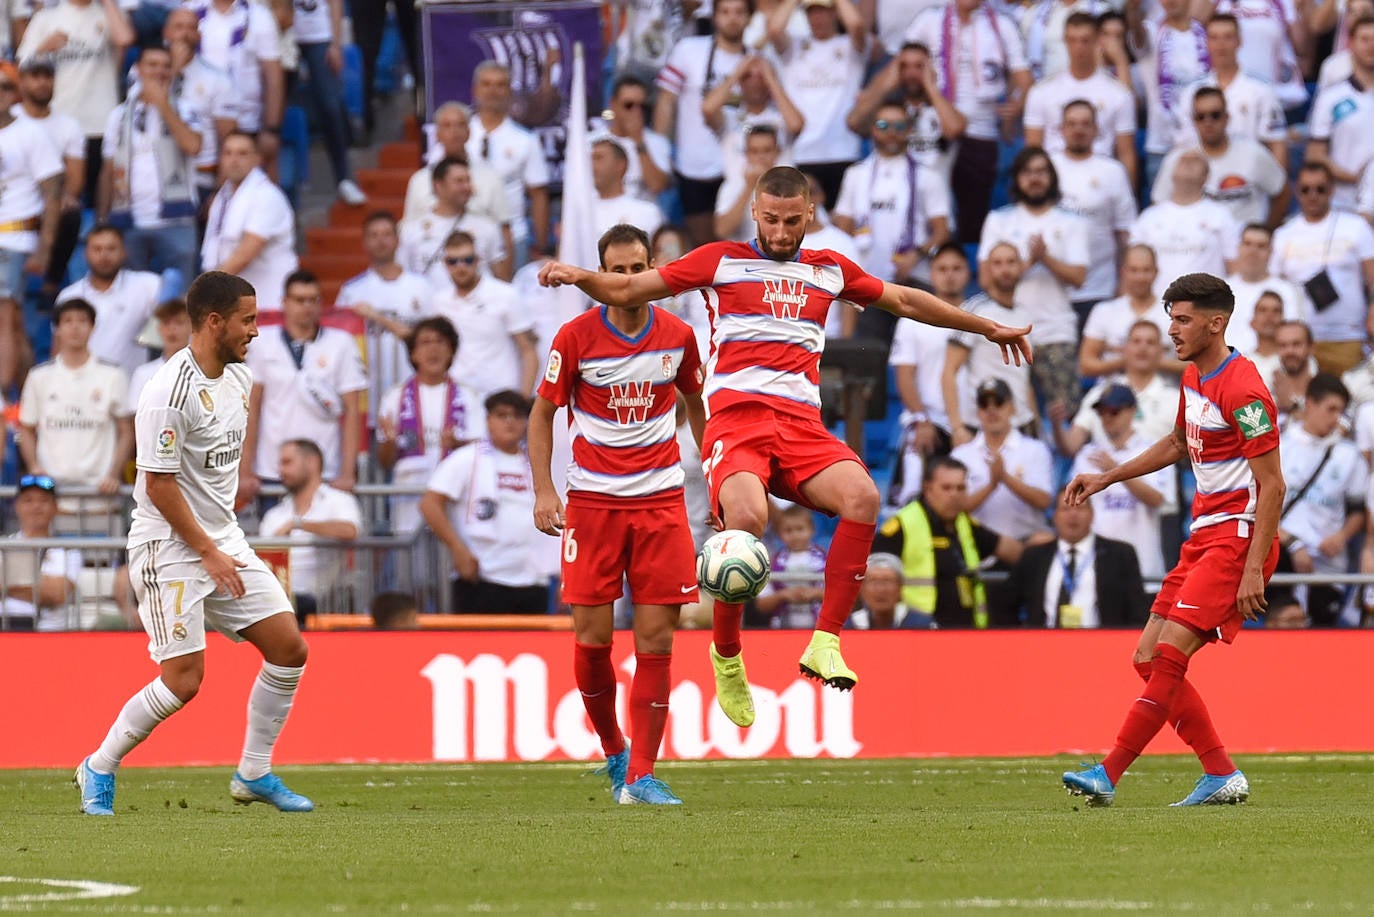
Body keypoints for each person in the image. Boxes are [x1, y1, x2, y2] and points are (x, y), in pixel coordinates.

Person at [538, 165, 1032, 726]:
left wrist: (984, 326)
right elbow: (629, 288)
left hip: (801, 427)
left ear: (810, 214)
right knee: (748, 519)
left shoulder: (829, 269)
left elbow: (905, 300)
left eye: (791, 220)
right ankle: (728, 654)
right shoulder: (720, 260)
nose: (779, 232)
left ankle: (826, 641)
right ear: (754, 212)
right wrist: (579, 276)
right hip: (736, 424)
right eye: (770, 219)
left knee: (864, 498)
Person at [75, 270, 313, 817]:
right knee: (184, 681)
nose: (256, 331)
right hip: (169, 547)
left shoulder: (238, 378)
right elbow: (158, 485)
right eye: (247, 320)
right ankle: (99, 765)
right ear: (214, 321)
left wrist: (219, 539)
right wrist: (206, 550)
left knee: (289, 649)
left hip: (222, 539)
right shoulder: (167, 392)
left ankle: (254, 772)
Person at [1062, 272, 1284, 808]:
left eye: (1183, 319)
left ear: (1216, 323)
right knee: (1146, 657)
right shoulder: (1193, 377)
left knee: (1167, 655)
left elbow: (1274, 485)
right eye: (1171, 318)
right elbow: (1177, 443)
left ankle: (1109, 772)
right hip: (1202, 535)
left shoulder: (1245, 390)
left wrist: (1253, 567)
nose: (1172, 329)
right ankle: (1220, 771)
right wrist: (1108, 476)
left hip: (1236, 537)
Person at [529, 223, 706, 806]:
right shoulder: (575, 337)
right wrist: (544, 491)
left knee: (657, 640)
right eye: (618, 271)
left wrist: (716, 474)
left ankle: (643, 776)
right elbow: (541, 415)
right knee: (593, 640)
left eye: (638, 269)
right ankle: (614, 751)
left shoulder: (679, 336)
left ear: (653, 270)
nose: (629, 280)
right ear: (601, 275)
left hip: (661, 503)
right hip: (593, 504)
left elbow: (697, 404)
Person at [979, 147, 1088, 417]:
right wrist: (1029, 261)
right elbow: (986, 278)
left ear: (1052, 177)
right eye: (1027, 172)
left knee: (1066, 414)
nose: (1034, 178)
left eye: (1041, 172)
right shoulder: (999, 220)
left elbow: (1079, 277)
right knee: (1011, 415)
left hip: (1056, 331)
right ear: (1016, 178)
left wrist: (1046, 258)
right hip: (1009, 331)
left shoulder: (1072, 221)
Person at [242, 271, 367, 503]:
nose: (307, 307)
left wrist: (348, 472)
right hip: (273, 468)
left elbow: (352, 411)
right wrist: (245, 470)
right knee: (275, 527)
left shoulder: (341, 343)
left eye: (313, 300)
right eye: (299, 300)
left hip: (324, 468)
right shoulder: (262, 343)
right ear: (284, 302)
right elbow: (251, 407)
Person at [422, 389, 548, 614]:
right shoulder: (467, 457)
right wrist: (457, 549)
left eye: (517, 416)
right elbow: (430, 504)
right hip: (482, 576)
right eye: (501, 415)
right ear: (488, 419)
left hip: (532, 578)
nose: (510, 422)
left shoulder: (537, 461)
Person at [18, 298, 132, 533]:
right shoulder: (39, 376)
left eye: (82, 321)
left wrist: (113, 474)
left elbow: (126, 431)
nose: (75, 327)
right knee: (54, 559)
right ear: (57, 328)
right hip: (54, 501)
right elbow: (26, 429)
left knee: (103, 558)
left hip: (101, 499)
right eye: (68, 321)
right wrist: (35, 466)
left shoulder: (112, 375)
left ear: (92, 327)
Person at [871, 456, 1022, 629]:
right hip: (918, 632)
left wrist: (1041, 551)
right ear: (927, 488)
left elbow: (1014, 552)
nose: (954, 495)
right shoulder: (903, 525)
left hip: (966, 632)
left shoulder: (965, 524)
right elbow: (873, 575)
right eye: (946, 488)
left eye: (960, 488)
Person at [98, 44, 203, 293]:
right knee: (133, 299)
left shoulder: (186, 108)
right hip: (129, 220)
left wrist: (163, 106)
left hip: (176, 221)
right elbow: (108, 170)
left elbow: (193, 146)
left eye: (166, 66)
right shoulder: (118, 115)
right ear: (138, 69)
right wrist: (103, 219)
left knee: (181, 300)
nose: (159, 71)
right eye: (152, 65)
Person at [654, 0, 748, 246]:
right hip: (694, 165)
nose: (732, 18)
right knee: (704, 246)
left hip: (738, 166)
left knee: (738, 242)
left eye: (739, 12)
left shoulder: (757, 58)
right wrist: (660, 151)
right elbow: (666, 100)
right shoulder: (689, 50)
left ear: (749, 18)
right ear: (714, 16)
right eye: (725, 12)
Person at [376, 316, 482, 535]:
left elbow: (481, 451)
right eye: (425, 342)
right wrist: (389, 441)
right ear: (413, 354)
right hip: (409, 500)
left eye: (440, 342)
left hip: (455, 498)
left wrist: (458, 444)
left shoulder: (468, 395)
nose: (433, 349)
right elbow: (384, 461)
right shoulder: (394, 396)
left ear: (451, 351)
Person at [1276, 373, 1366, 627]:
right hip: (1283, 559)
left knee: (1321, 633)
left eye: (1341, 411)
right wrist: (1293, 544)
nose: (1336, 418)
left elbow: (1357, 510)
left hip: (1327, 567)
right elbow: (1256, 508)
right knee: (1283, 624)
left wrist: (1342, 537)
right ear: (1310, 403)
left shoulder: (1349, 455)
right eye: (1331, 409)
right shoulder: (1280, 447)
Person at [1269, 162, 1374, 376]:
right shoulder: (1283, 234)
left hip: (1348, 336)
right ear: (1297, 191)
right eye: (1305, 189)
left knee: (1350, 393)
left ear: (1331, 190)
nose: (1313, 195)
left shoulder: (1356, 226)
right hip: (1300, 341)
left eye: (1320, 189)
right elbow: (1275, 287)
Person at [832, 100, 952, 288]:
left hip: (914, 276)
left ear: (910, 129)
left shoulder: (928, 175)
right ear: (872, 129)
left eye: (899, 126)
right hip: (864, 277)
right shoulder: (855, 174)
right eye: (883, 125)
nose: (891, 132)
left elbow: (942, 231)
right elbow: (843, 227)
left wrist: (916, 255)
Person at [1067, 383, 1175, 584]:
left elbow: (1157, 499)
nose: (1107, 417)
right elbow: (1073, 504)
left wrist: (1115, 472)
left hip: (1143, 566)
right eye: (1102, 412)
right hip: (1095, 567)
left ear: (1132, 411)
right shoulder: (1087, 455)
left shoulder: (1152, 452)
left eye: (1114, 411)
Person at [335, 210, 435, 419]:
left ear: (397, 240)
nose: (381, 241)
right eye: (374, 235)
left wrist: (377, 317)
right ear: (364, 243)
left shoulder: (422, 287)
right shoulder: (352, 291)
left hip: (412, 391)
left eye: (386, 234)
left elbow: (431, 339)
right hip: (368, 395)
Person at [999, 490, 1149, 627]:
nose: (1073, 515)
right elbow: (1006, 606)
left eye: (1080, 508)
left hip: (1101, 643)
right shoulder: (1034, 556)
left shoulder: (1120, 555)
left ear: (1092, 514)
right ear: (1054, 516)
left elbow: (1137, 611)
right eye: (1065, 509)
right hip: (1044, 642)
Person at [1049, 99, 1137, 331]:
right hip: (1052, 290)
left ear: (1096, 129)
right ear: (1061, 129)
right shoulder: (1046, 168)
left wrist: (1124, 283)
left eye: (1085, 124)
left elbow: (1125, 232)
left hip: (1100, 288)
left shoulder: (1113, 171)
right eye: (1072, 124)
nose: (1078, 130)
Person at [1151, 88, 1288, 229]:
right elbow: (1158, 204)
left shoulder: (1253, 154)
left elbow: (1281, 191)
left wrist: (1267, 231)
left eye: (1215, 115)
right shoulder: (1179, 159)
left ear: (1226, 117)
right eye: (1200, 117)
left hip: (1243, 239)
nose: (1208, 122)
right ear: (1193, 121)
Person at [1023, 12, 1137, 182]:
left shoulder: (1119, 94)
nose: (1078, 47)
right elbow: (1033, 151)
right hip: (1054, 179)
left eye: (1085, 40)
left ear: (1097, 40)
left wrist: (1127, 192)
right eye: (1072, 40)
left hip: (1100, 179)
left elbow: (1126, 153)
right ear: (1065, 41)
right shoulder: (1041, 92)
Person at [258, 439, 363, 623]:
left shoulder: (339, 500)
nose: (281, 471)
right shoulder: (274, 515)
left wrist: (299, 524)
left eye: (287, 462)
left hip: (327, 601)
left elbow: (350, 530)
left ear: (312, 462)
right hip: (280, 603)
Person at [942, 242, 1036, 443]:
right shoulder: (974, 310)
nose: (1005, 269)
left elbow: (1023, 375)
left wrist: (1035, 421)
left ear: (1021, 267)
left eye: (1011, 262)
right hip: (982, 425)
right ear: (987, 269)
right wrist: (957, 428)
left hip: (1022, 424)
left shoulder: (1025, 314)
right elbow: (949, 370)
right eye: (997, 263)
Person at [430, 232, 537, 402]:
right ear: (445, 263)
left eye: (467, 260)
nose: (460, 267)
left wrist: (522, 402)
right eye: (453, 261)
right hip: (457, 397)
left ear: (478, 260)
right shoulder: (438, 302)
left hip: (501, 396)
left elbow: (529, 351)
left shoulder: (506, 294)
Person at [200, 132, 298, 311]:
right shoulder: (222, 197)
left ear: (257, 159)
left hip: (269, 300)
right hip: (237, 301)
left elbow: (245, 254)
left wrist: (205, 291)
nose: (234, 160)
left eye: (242, 153)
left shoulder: (267, 195)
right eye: (228, 153)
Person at [950, 378, 1054, 544]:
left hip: (1025, 542)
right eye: (984, 404)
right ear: (978, 412)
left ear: (1012, 408)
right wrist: (991, 486)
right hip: (977, 543)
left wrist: (1005, 478)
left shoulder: (1035, 449)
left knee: (1044, 540)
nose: (991, 410)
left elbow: (1044, 501)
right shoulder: (961, 455)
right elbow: (954, 509)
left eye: (998, 403)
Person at [1129, 150, 1239, 299]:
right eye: (1182, 159)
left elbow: (1234, 266)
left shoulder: (1221, 215)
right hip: (1158, 304)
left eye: (1196, 160)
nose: (1188, 162)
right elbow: (1131, 268)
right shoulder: (1148, 217)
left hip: (1206, 304)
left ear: (1206, 177)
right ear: (1172, 173)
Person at [57, 224, 161, 377]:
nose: (104, 255)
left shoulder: (147, 285)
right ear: (86, 254)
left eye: (111, 249)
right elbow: (59, 347)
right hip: (81, 384)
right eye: (97, 249)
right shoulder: (69, 295)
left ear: (124, 252)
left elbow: (175, 319)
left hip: (131, 386)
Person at [0, 474, 80, 632]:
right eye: (28, 500)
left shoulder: (69, 550)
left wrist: (5, 583)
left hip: (49, 632)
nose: (36, 506)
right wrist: (38, 583)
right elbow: (48, 590)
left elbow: (57, 593)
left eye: (43, 500)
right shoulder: (4, 545)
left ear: (55, 507)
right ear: (17, 506)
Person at [755, 504, 827, 629]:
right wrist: (783, 595)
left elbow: (840, 599)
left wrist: (815, 593)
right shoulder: (772, 563)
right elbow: (761, 604)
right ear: (779, 533)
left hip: (819, 629)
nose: (795, 535)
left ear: (812, 530)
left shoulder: (825, 560)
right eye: (788, 530)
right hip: (782, 630)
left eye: (800, 529)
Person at [128, 298, 191, 411]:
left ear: (191, 327)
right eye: (166, 323)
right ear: (159, 328)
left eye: (179, 322)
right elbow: (135, 413)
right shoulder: (143, 374)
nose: (172, 329)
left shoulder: (204, 371)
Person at [847, 553, 923, 629]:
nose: (881, 589)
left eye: (887, 581)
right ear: (862, 589)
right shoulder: (847, 626)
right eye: (873, 581)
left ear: (900, 586)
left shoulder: (922, 625)